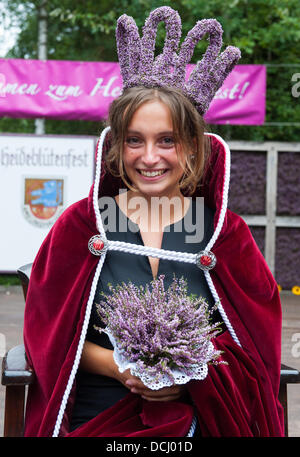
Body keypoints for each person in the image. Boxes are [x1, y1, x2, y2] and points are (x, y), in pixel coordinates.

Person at [23, 7, 284, 437]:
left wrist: (189, 366)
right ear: (116, 148)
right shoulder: (84, 225)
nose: (149, 157)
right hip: (97, 415)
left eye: (167, 141)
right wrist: (119, 365)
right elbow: (45, 336)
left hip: (199, 418)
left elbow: (256, 349)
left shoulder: (225, 234)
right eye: (134, 141)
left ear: (194, 149)